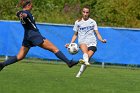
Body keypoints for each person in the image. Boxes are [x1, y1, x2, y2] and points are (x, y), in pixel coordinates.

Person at [0, 0, 78, 71]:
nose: (32, 6)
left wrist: (20, 13)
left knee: (20, 56)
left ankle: (2, 64)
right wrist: (23, 14)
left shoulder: (19, 12)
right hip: (34, 35)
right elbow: (24, 14)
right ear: (28, 5)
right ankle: (68, 62)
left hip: (27, 35)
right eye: (31, 5)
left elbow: (19, 13)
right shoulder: (26, 13)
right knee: (54, 49)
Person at [66, 6, 107, 78]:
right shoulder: (78, 22)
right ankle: (86, 62)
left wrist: (102, 40)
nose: (85, 14)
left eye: (87, 12)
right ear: (82, 12)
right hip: (82, 41)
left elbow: (97, 33)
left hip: (92, 42)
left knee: (87, 58)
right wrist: (70, 43)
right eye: (84, 12)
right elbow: (75, 34)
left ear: (89, 13)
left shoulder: (92, 22)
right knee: (85, 54)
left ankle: (79, 73)